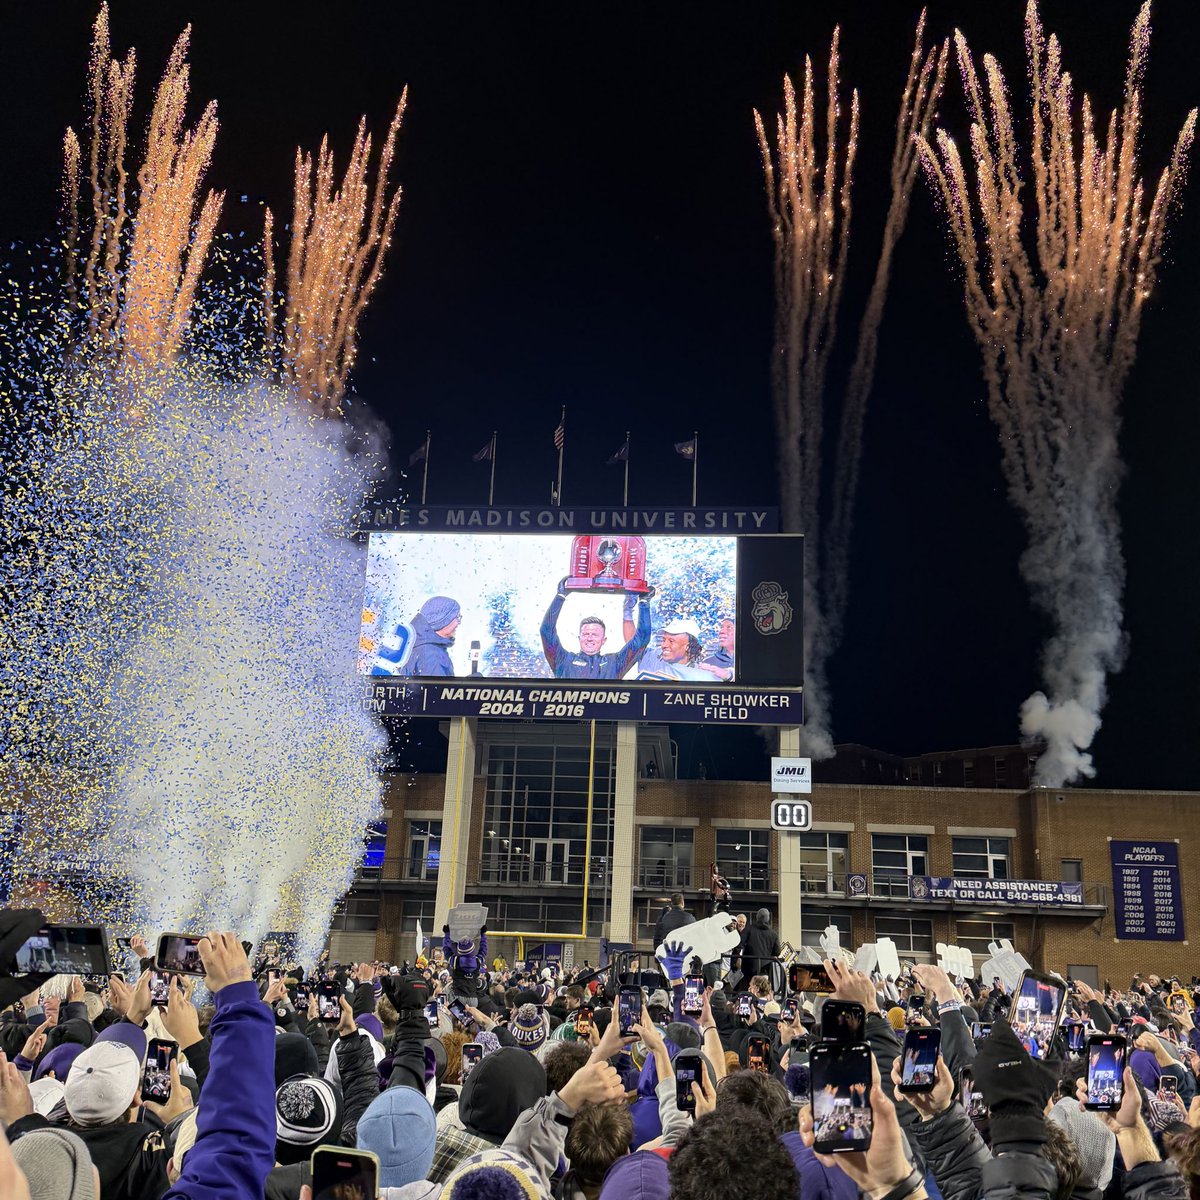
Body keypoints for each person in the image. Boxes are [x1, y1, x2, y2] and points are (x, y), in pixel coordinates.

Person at [540, 579, 652, 679]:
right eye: (586, 634)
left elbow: (642, 638)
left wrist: (644, 603)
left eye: (594, 635)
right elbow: (546, 630)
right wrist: (560, 596)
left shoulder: (614, 663)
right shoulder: (563, 660)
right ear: (579, 638)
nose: (589, 638)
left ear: (604, 640)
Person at [402, 596, 462, 677]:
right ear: (444, 621)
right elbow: (437, 689)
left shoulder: (415, 644)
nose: (459, 623)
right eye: (457, 617)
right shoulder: (432, 656)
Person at [636, 618, 712, 682]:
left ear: (687, 647)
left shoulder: (700, 675)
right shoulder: (654, 656)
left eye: (671, 641)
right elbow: (634, 645)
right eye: (664, 640)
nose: (664, 645)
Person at [738, 909, 780, 984]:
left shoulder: (749, 929)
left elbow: (739, 943)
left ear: (757, 917)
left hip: (748, 967)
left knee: (747, 989)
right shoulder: (773, 934)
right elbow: (777, 952)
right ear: (768, 918)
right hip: (765, 969)